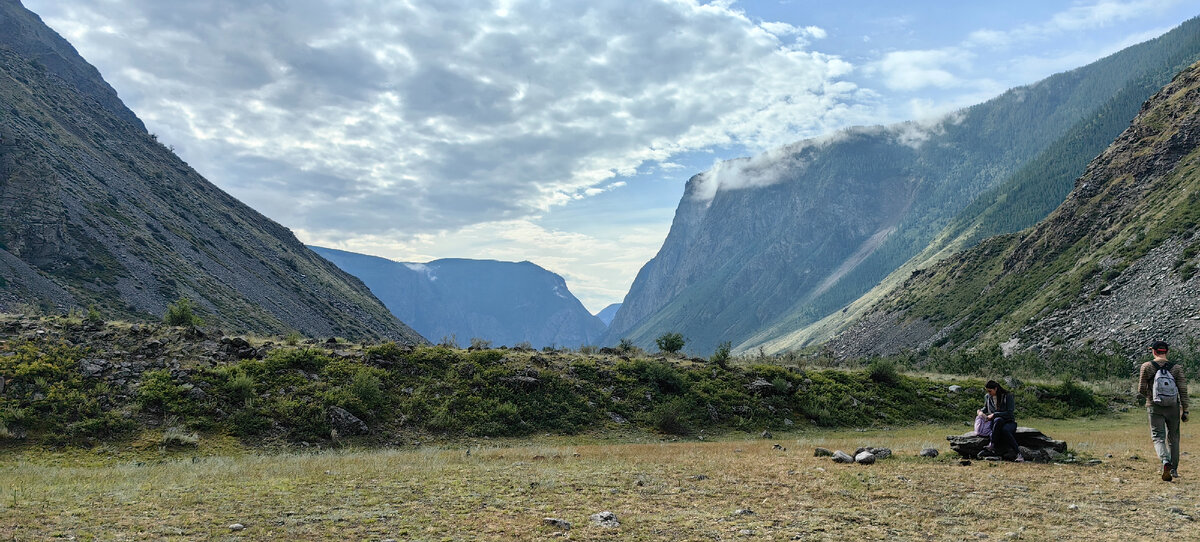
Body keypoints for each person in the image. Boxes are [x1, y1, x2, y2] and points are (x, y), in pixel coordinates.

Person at [1138, 340, 1189, 481]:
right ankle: (1174, 470)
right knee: (1174, 438)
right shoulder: (1176, 368)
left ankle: (1165, 461)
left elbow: (1141, 389)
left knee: (1158, 437)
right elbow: (1183, 390)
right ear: (1167, 352)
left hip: (1154, 406)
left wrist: (1151, 396)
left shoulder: (1146, 366)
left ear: (1154, 351)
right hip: (1173, 407)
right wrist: (1185, 410)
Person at [981, 380, 1024, 462]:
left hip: (1009, 421)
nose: (989, 393)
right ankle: (1018, 454)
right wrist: (980, 411)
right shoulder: (987, 397)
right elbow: (986, 408)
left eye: (990, 391)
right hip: (996, 423)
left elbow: (1010, 413)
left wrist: (994, 414)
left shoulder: (1008, 396)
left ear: (996, 389)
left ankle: (992, 444)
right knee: (998, 420)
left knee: (1005, 429)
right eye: (987, 391)